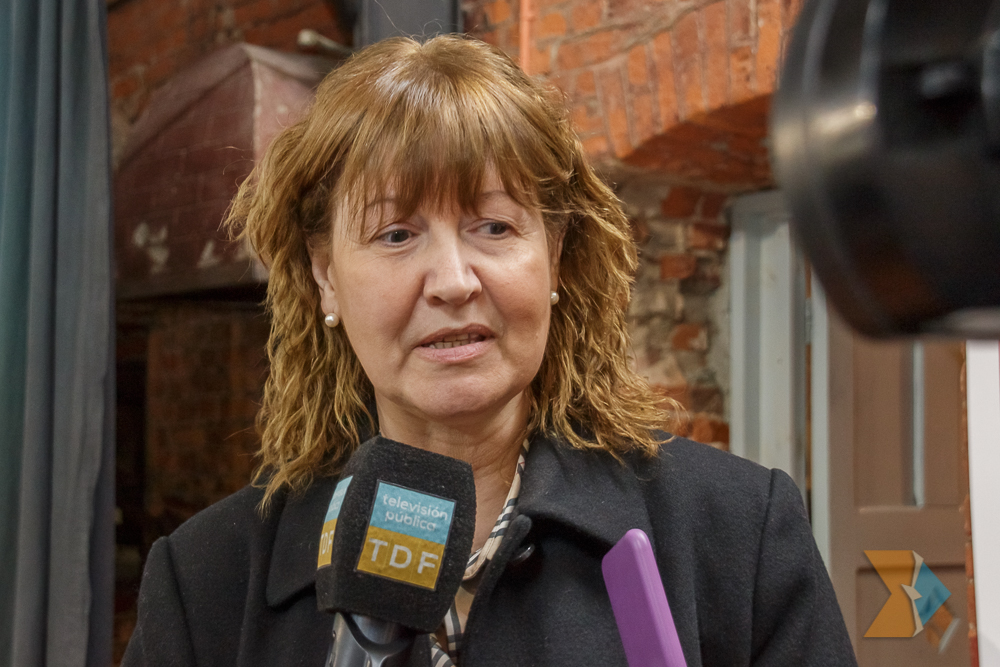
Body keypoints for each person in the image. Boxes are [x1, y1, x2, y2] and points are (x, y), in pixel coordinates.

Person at [122, 34, 857, 666]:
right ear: (326, 277)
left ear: (556, 256)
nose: (452, 281)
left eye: (494, 227)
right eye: (396, 234)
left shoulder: (737, 534)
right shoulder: (206, 579)